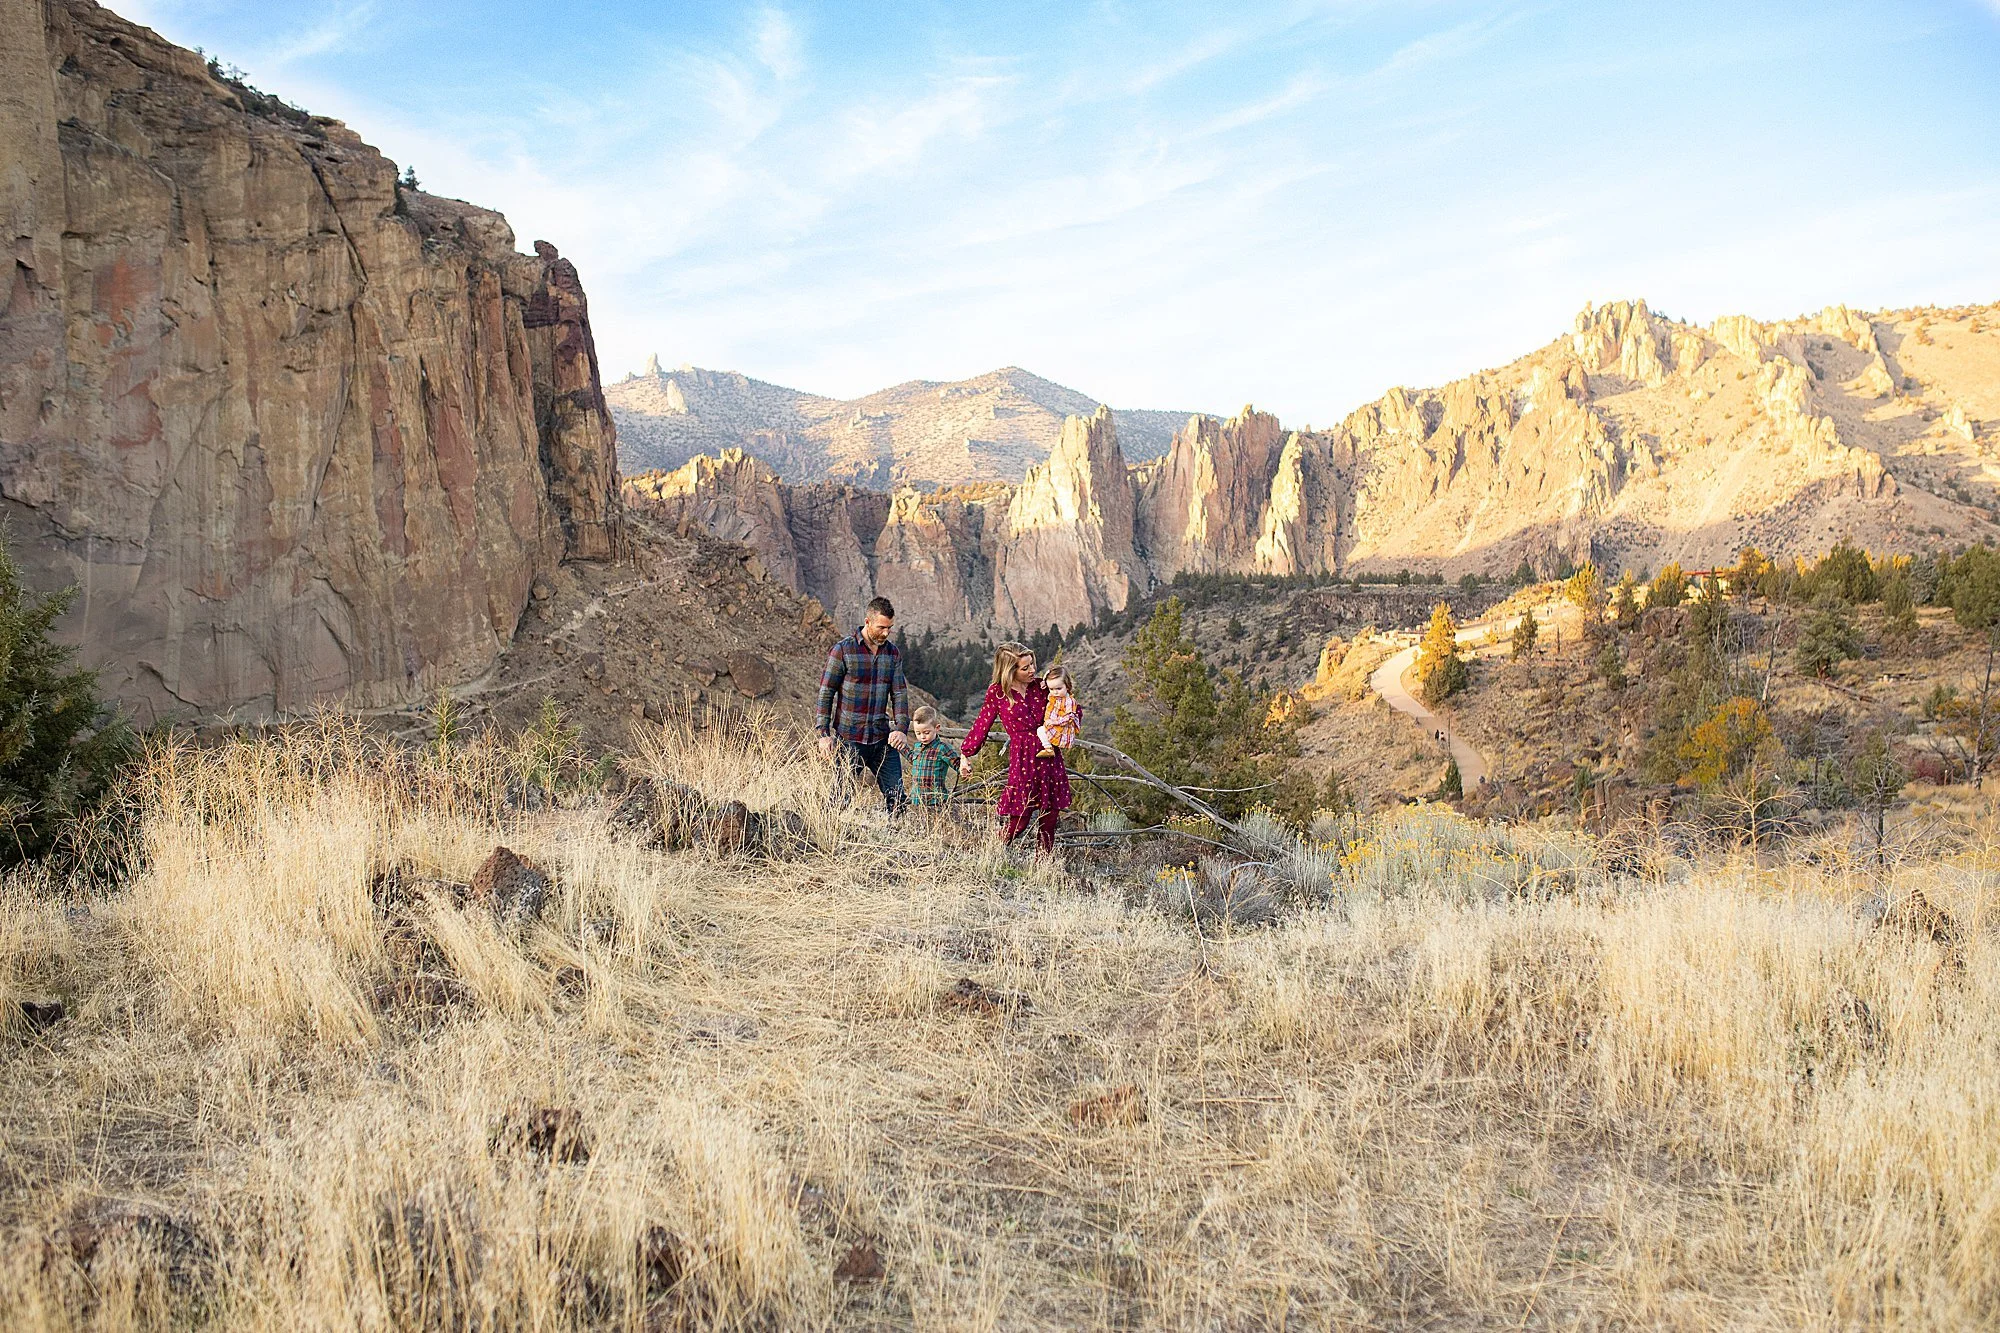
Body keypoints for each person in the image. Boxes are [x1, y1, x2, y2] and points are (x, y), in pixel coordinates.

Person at [959, 641, 1072, 856]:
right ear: (1010, 670)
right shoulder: (997, 693)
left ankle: (1043, 866)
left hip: (1049, 756)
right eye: (1025, 668)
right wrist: (966, 753)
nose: (1032, 671)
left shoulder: (1041, 687)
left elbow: (1068, 701)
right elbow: (982, 724)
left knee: (1049, 819)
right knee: (1019, 819)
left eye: (1032, 665)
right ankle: (989, 853)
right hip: (1023, 761)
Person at [815, 596, 910, 815]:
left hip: (882, 739)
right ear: (867, 622)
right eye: (882, 627)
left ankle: (892, 843)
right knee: (840, 800)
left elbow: (899, 693)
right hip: (850, 740)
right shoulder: (843, 650)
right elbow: (826, 692)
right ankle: (830, 837)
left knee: (897, 801)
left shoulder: (892, 653)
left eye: (890, 628)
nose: (886, 633)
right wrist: (823, 733)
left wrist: (901, 730)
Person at [906, 705, 960, 812]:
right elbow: (912, 759)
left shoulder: (942, 748)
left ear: (937, 728)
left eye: (926, 733)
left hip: (936, 800)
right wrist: (901, 747)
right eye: (918, 733)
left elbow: (956, 763)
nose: (922, 737)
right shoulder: (917, 747)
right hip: (916, 799)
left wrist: (964, 768)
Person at [1035, 665, 1080, 758]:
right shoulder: (1054, 696)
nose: (1055, 692)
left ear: (1067, 686)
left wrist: (1054, 722)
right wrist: (1044, 682)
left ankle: (1048, 749)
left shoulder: (1068, 701)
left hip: (1060, 728)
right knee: (1040, 731)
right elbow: (1048, 680)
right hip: (1052, 725)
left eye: (1058, 689)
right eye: (1051, 689)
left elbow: (1069, 717)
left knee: (1040, 730)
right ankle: (1049, 749)